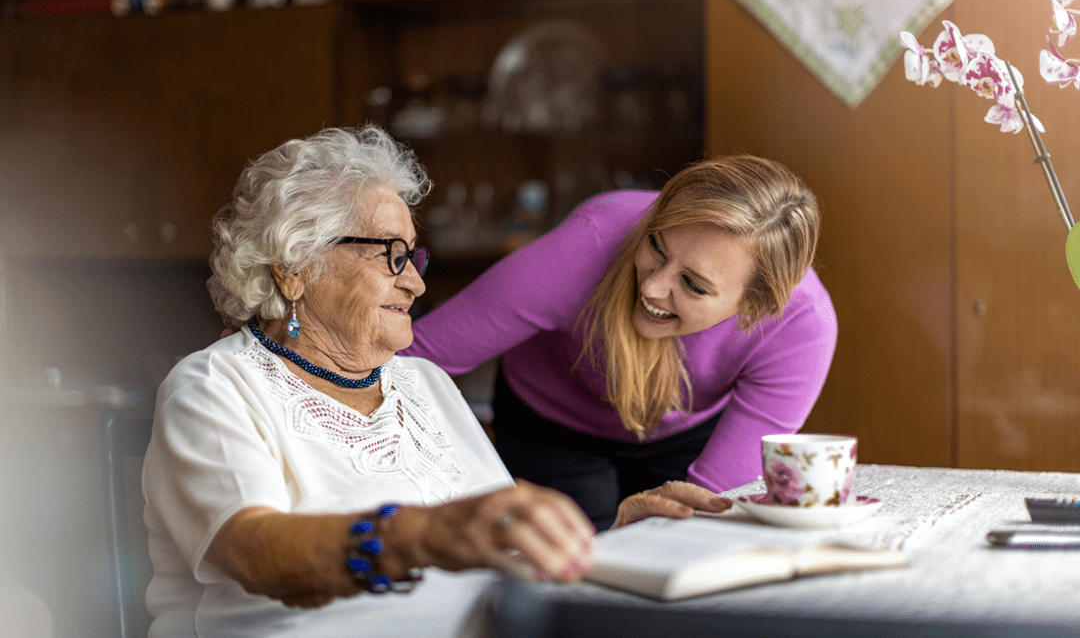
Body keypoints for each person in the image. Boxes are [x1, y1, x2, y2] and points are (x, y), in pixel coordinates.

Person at [142, 125, 730, 638]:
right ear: (295, 269)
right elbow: (257, 552)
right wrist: (421, 535)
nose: (417, 286)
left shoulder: (422, 383)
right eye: (390, 257)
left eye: (413, 259)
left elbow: (496, 546)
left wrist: (613, 540)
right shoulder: (215, 387)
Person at [403, 154, 837, 530]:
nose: (653, 287)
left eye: (693, 285)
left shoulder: (802, 327)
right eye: (656, 246)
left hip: (685, 430)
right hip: (551, 421)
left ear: (755, 306)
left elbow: (711, 510)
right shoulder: (590, 243)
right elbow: (411, 358)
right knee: (566, 570)